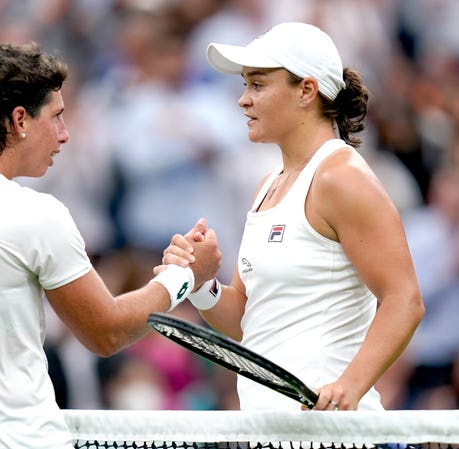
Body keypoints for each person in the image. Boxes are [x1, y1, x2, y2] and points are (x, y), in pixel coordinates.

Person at [0, 41, 221, 449]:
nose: (65, 135)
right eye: (57, 117)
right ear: (19, 120)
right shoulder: (36, 214)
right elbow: (108, 333)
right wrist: (184, 276)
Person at [159, 22, 424, 412]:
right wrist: (202, 283)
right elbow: (249, 320)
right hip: (273, 431)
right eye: (245, 85)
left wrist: (348, 387)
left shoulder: (341, 178)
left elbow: (405, 300)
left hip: (335, 437)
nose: (243, 100)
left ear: (306, 91)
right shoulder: (268, 184)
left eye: (258, 85)